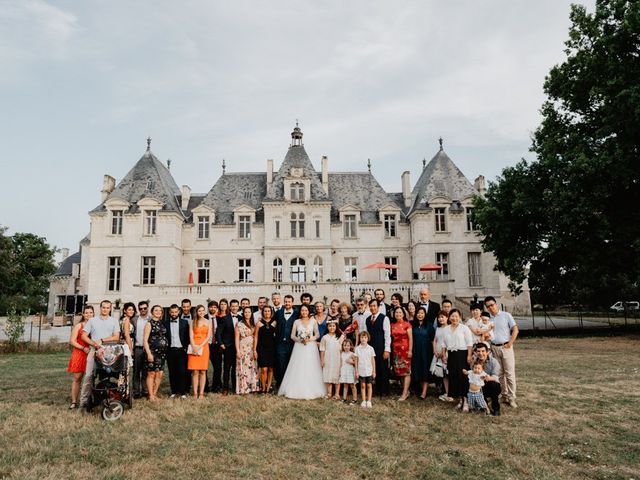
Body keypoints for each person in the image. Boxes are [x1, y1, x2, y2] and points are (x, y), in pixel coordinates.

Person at [278, 305, 326, 399]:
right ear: (300, 312)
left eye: (306, 310)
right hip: (299, 347)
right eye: (302, 310)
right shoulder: (296, 322)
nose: (304, 312)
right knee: (298, 366)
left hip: (311, 346)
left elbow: (317, 334)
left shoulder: (313, 321)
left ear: (308, 311)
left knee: (310, 365)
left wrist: (309, 339)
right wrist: (300, 340)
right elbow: (292, 336)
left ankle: (313, 388)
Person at [79, 300, 120, 408]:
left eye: (107, 307)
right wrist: (94, 343)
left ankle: (109, 397)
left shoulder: (114, 321)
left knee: (109, 375)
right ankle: (83, 402)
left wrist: (102, 340)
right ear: (100, 308)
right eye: (103, 307)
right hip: (94, 351)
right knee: (88, 376)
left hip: (109, 352)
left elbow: (116, 337)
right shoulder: (92, 321)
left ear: (110, 309)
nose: (105, 309)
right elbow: (83, 336)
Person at [484, 296, 519, 408]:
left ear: (496, 304)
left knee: (509, 373)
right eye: (488, 306)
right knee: (499, 374)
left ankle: (512, 397)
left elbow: (515, 329)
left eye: (492, 305)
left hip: (506, 347)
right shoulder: (489, 320)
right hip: (494, 347)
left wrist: (510, 343)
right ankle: (503, 395)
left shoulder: (506, 315)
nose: (490, 307)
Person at [441, 308, 473, 412]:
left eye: (456, 316)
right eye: (452, 316)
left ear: (459, 317)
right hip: (451, 355)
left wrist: (469, 355)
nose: (454, 318)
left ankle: (466, 401)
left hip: (462, 354)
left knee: (463, 377)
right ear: (449, 317)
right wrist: (444, 355)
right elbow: (443, 344)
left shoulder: (464, 328)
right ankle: (460, 400)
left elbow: (469, 343)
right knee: (454, 377)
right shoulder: (446, 329)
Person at [67, 305, 93, 409]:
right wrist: (83, 348)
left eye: (90, 313)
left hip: (91, 353)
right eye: (86, 313)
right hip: (80, 352)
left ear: (93, 314)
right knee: (78, 378)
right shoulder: (79, 326)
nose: (88, 315)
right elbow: (72, 341)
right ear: (83, 314)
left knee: (90, 378)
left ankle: (87, 400)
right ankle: (74, 401)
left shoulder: (95, 325)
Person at [365, 299, 391, 396]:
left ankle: (384, 391)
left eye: (374, 306)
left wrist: (387, 350)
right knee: (373, 369)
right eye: (371, 306)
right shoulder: (368, 319)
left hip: (381, 347)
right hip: (371, 348)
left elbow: (387, 335)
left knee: (382, 369)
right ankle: (375, 390)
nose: (372, 308)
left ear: (378, 306)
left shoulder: (384, 318)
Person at [143, 305, 169, 401]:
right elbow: (145, 340)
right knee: (151, 374)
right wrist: (149, 353)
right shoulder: (149, 324)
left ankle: (154, 393)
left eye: (160, 310)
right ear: (152, 312)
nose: (158, 312)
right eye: (156, 310)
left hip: (162, 354)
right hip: (152, 353)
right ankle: (150, 395)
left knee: (160, 374)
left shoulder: (162, 323)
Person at [165, 303, 189, 399]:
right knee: (172, 372)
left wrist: (186, 347)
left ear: (178, 312)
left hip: (181, 350)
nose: (174, 314)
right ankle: (174, 391)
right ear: (170, 312)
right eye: (172, 312)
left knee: (182, 371)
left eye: (175, 312)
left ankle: (183, 392)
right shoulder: (165, 323)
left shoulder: (184, 322)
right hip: (170, 350)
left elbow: (187, 336)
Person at [216, 299, 240, 395]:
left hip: (238, 347)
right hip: (228, 347)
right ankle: (225, 388)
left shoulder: (241, 317)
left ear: (238, 307)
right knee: (227, 368)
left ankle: (235, 387)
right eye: (232, 306)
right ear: (230, 307)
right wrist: (221, 343)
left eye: (236, 306)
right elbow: (218, 332)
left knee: (236, 368)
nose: (234, 308)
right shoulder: (225, 318)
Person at [411, 306, 435, 399]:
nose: (420, 315)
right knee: (418, 369)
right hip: (415, 350)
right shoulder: (412, 324)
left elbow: (433, 340)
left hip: (426, 351)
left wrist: (433, 352)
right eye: (418, 313)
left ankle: (424, 392)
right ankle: (420, 389)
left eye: (422, 313)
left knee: (425, 370)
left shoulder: (429, 325)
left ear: (425, 314)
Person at [187, 305, 211, 399]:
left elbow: (208, 336)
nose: (201, 312)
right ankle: (195, 393)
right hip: (194, 346)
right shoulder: (192, 322)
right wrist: (194, 347)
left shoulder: (208, 322)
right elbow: (191, 336)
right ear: (196, 312)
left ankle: (201, 393)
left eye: (202, 311)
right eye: (199, 311)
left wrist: (200, 346)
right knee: (195, 371)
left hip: (204, 347)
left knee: (203, 371)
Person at [274, 295, 298, 386]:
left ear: (292, 302)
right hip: (280, 343)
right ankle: (280, 384)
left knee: (291, 363)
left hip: (292, 343)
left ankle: (291, 384)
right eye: (286, 301)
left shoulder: (297, 313)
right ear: (284, 302)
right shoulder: (279, 313)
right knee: (281, 364)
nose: (287, 303)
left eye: (289, 301)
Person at [390, 307, 413, 401]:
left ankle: (404, 394)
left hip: (405, 350)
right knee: (400, 372)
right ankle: (406, 391)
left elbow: (411, 338)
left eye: (400, 312)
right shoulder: (392, 325)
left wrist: (410, 350)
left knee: (406, 372)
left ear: (403, 314)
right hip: (396, 351)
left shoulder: (407, 324)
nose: (398, 314)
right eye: (396, 312)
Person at [473, 342, 502, 416]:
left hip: (491, 384)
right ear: (476, 352)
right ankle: (484, 406)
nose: (481, 353)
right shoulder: (474, 362)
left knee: (494, 385)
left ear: (487, 352)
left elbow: (495, 377)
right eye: (478, 351)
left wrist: (488, 377)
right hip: (479, 385)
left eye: (483, 351)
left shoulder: (493, 362)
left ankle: (496, 408)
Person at [236, 306, 259, 395]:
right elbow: (237, 339)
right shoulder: (239, 324)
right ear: (243, 313)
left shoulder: (254, 324)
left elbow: (256, 337)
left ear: (251, 313)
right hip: (242, 348)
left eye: (249, 312)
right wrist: (238, 350)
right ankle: (243, 388)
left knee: (252, 367)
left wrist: (255, 350)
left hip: (251, 348)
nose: (247, 314)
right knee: (243, 368)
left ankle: (253, 387)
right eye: (245, 312)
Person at [254, 305, 277, 393]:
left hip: (272, 348)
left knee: (271, 368)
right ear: (262, 312)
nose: (267, 313)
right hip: (262, 348)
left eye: (268, 311)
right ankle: (263, 387)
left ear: (271, 313)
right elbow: (256, 337)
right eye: (265, 311)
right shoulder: (259, 323)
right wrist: (254, 349)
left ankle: (268, 387)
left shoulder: (275, 323)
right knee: (263, 369)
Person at [132, 301, 151, 398]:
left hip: (148, 348)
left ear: (148, 308)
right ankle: (136, 391)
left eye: (144, 308)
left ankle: (145, 390)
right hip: (137, 348)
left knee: (146, 370)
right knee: (136, 370)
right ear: (138, 309)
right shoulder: (134, 319)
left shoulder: (151, 319)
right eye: (141, 308)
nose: (143, 310)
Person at [319, 320, 342, 399]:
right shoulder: (324, 337)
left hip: (337, 358)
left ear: (336, 327)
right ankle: (329, 393)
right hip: (327, 358)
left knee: (337, 375)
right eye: (330, 326)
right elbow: (322, 350)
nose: (332, 328)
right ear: (327, 327)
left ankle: (337, 394)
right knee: (328, 374)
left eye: (333, 326)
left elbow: (342, 350)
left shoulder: (340, 336)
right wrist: (322, 360)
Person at [433, 310, 452, 402]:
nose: (441, 319)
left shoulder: (449, 328)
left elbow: (450, 342)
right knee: (443, 374)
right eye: (439, 317)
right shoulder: (438, 328)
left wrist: (443, 353)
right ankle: (447, 392)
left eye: (443, 317)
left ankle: (452, 393)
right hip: (437, 353)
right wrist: (435, 351)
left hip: (446, 353)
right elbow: (435, 340)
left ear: (447, 318)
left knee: (449, 373)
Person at [211, 299, 229, 393]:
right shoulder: (216, 317)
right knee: (217, 366)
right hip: (216, 344)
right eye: (221, 304)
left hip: (226, 344)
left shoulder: (228, 316)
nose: (222, 306)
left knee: (224, 366)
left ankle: (221, 384)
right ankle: (216, 385)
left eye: (224, 304)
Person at [354, 331, 376, 408]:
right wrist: (356, 371)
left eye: (365, 337)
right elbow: (356, 361)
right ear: (360, 338)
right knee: (363, 385)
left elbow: (373, 360)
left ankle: (369, 401)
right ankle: (363, 400)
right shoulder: (357, 349)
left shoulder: (371, 348)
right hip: (361, 370)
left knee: (369, 385)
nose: (363, 339)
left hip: (369, 370)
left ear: (368, 338)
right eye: (362, 337)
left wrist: (374, 371)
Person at [205, 300, 219, 393]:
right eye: (211, 307)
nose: (212, 309)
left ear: (217, 308)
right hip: (206, 345)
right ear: (208, 308)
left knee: (217, 367)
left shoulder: (221, 318)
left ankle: (215, 387)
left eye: (214, 307)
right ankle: (205, 387)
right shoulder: (204, 317)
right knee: (204, 367)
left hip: (216, 346)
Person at [339, 338, 358, 404]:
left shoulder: (352, 354)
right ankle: (344, 398)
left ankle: (355, 399)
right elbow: (341, 363)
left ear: (350, 346)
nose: (346, 347)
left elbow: (356, 363)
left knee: (352, 385)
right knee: (345, 385)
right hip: (344, 371)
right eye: (344, 345)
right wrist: (340, 371)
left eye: (347, 345)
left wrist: (352, 362)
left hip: (350, 371)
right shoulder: (342, 353)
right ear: (342, 346)